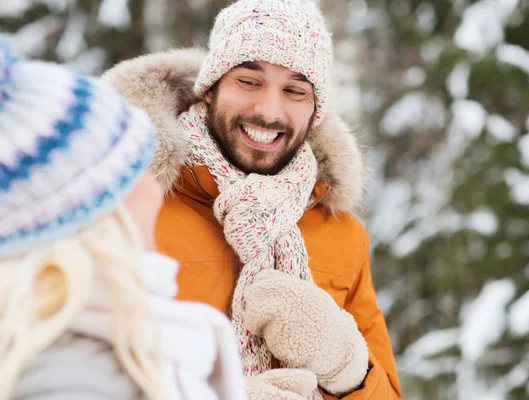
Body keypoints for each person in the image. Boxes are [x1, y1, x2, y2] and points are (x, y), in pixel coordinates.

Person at [102, 0, 402, 398]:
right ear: (210, 88)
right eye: (249, 81)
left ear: (315, 111)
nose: (268, 111)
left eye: (295, 90)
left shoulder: (343, 236)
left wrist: (347, 366)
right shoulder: (130, 211)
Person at [0, 38, 246, 400]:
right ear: (88, 210)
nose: (152, 187)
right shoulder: (77, 380)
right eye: (134, 168)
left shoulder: (91, 342)